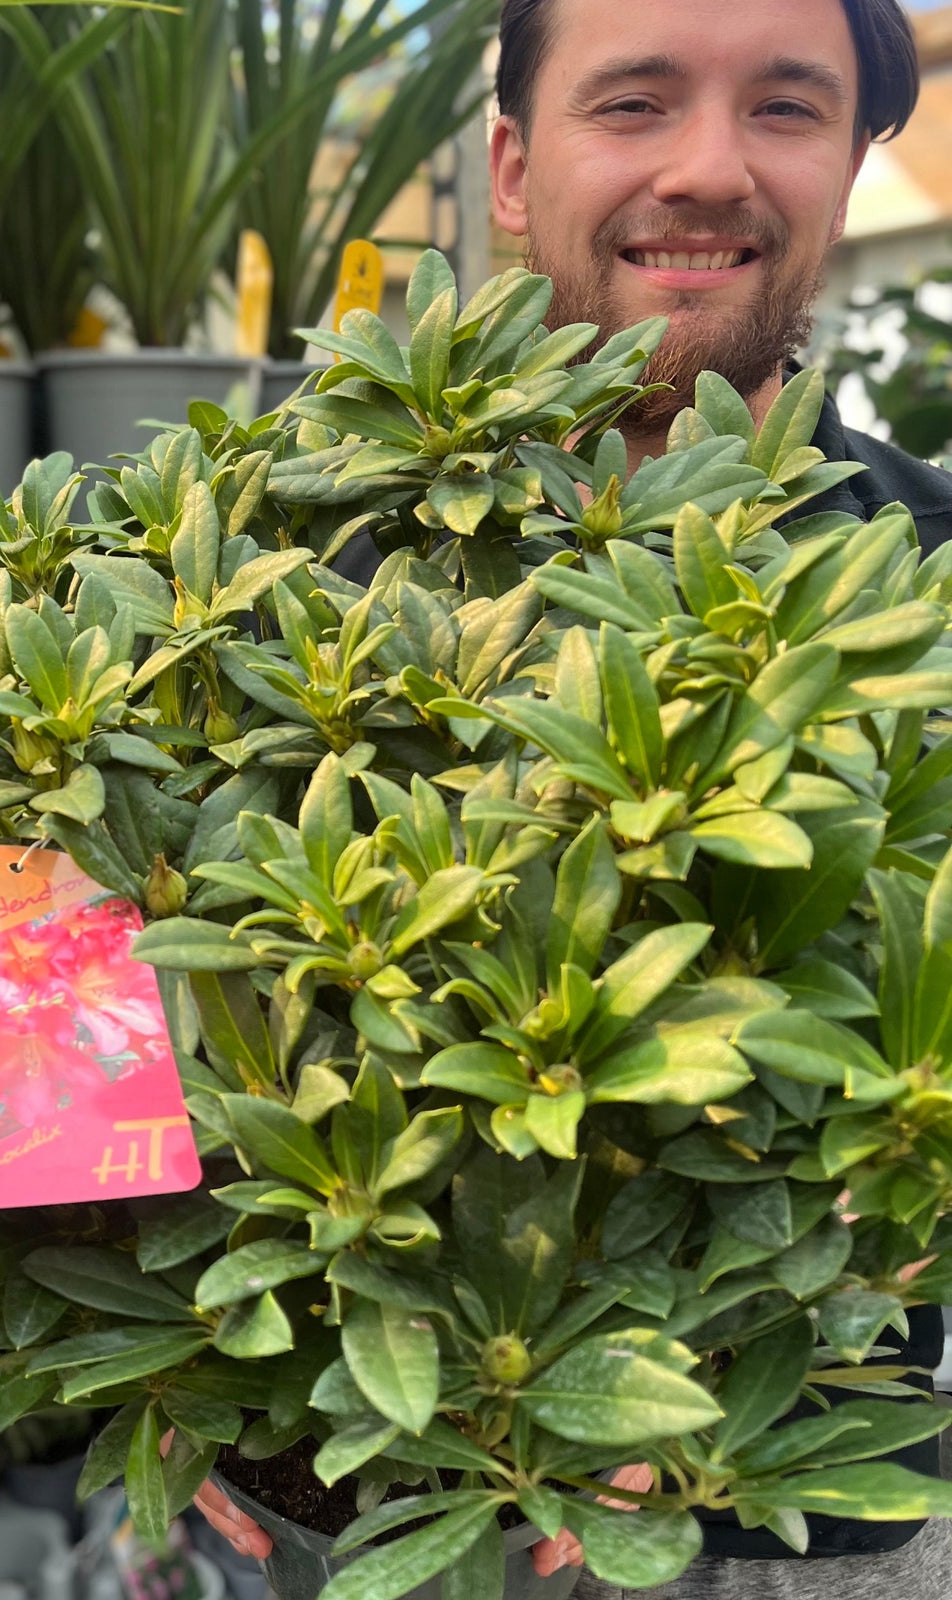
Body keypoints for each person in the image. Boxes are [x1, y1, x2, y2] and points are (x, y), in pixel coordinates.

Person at [194, 0, 952, 1591]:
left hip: (843, 1500)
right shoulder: (267, 566)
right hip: (402, 1498)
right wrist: (129, 1333)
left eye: (790, 107)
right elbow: (31, 950)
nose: (710, 168)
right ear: (514, 169)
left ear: (848, 158)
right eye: (636, 100)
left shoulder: (929, 576)